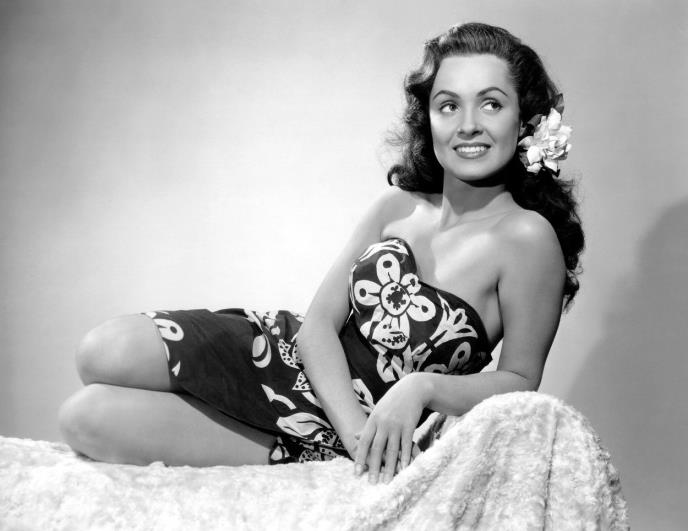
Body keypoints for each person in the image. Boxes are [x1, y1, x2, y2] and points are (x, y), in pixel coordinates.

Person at [58, 22, 584, 486]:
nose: (468, 124)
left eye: (491, 103)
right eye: (449, 105)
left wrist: (420, 389)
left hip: (317, 429)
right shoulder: (396, 206)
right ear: (428, 118)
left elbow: (520, 382)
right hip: (283, 355)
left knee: (88, 419)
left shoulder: (528, 238)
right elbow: (316, 327)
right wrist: (356, 437)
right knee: (102, 351)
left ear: (525, 120)